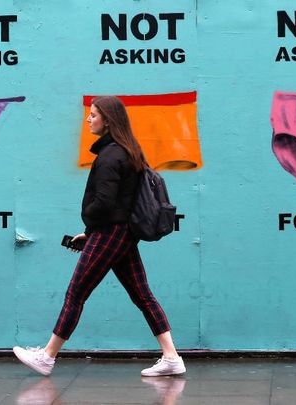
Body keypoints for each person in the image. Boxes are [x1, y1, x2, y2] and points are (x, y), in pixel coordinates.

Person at [13, 96, 186, 377]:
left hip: (110, 233)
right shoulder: (128, 151)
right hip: (123, 234)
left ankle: (47, 357)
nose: (88, 119)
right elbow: (121, 202)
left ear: (107, 119)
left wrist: (92, 225)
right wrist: (90, 233)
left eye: (93, 115)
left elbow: (104, 202)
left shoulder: (109, 156)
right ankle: (171, 357)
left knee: (76, 293)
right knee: (142, 295)